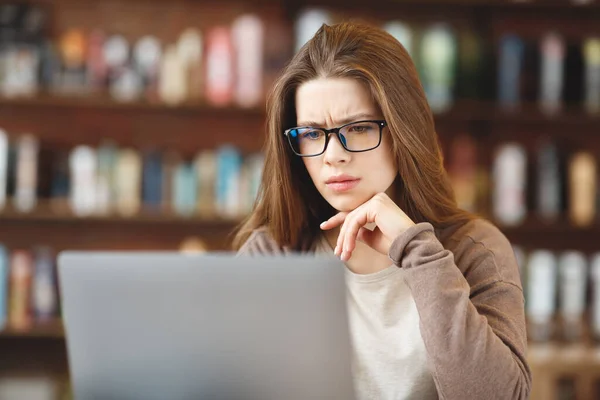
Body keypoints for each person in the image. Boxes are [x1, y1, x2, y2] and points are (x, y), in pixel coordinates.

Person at [233, 21, 531, 400]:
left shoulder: (475, 250)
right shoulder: (273, 253)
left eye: (357, 128)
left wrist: (417, 251)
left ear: (403, 131)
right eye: (310, 134)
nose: (332, 155)